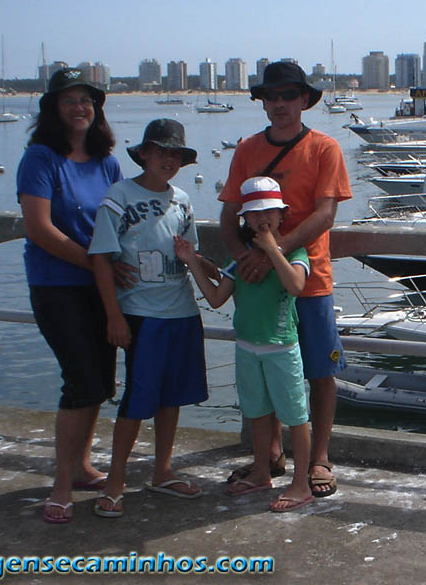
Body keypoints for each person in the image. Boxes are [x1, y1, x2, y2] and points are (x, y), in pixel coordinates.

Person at [218, 61, 351, 498]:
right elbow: (227, 214)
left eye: (288, 96)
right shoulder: (246, 149)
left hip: (307, 278)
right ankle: (270, 455)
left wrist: (272, 252)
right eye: (271, 96)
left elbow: (325, 214)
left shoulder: (324, 148)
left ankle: (319, 459)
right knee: (265, 368)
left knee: (319, 372)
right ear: (263, 102)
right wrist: (244, 258)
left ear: (304, 101)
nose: (280, 104)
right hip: (260, 285)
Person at [86, 119, 208, 517]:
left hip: (182, 312)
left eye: (175, 154)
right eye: (160, 152)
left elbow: (192, 254)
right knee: (137, 402)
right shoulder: (118, 196)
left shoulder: (183, 200)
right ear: (143, 154)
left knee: (171, 397)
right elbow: (101, 260)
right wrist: (113, 316)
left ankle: (162, 471)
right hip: (141, 315)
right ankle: (116, 480)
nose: (167, 159)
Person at [17, 67, 122, 525]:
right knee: (79, 379)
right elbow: (39, 228)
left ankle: (81, 468)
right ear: (53, 109)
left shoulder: (108, 160)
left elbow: (121, 221)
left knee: (99, 380)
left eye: (86, 100)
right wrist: (95, 263)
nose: (79, 108)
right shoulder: (40, 158)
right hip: (57, 286)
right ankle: (61, 483)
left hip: (102, 287)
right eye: (69, 100)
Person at [177, 177, 314, 512]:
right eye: (254, 214)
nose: (261, 218)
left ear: (282, 215)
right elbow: (215, 298)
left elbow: (296, 285)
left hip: (282, 347)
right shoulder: (240, 260)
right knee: (256, 413)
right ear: (245, 220)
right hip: (247, 349)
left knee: (296, 417)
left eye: (269, 211)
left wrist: (271, 249)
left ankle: (301, 484)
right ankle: (261, 473)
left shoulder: (295, 252)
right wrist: (192, 261)